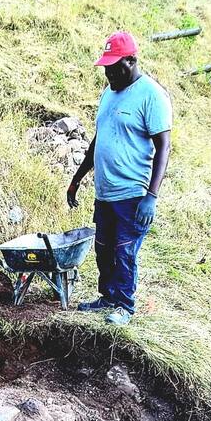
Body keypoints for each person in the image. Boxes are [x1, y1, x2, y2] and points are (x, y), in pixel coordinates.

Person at [67, 30, 172, 326]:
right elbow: (98, 141)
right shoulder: (108, 93)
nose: (109, 73)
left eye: (115, 67)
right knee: (103, 249)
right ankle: (108, 297)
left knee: (124, 252)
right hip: (105, 192)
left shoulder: (151, 95)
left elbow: (164, 146)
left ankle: (124, 304)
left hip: (132, 193)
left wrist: (151, 197)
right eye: (106, 67)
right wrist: (77, 178)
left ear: (132, 60)